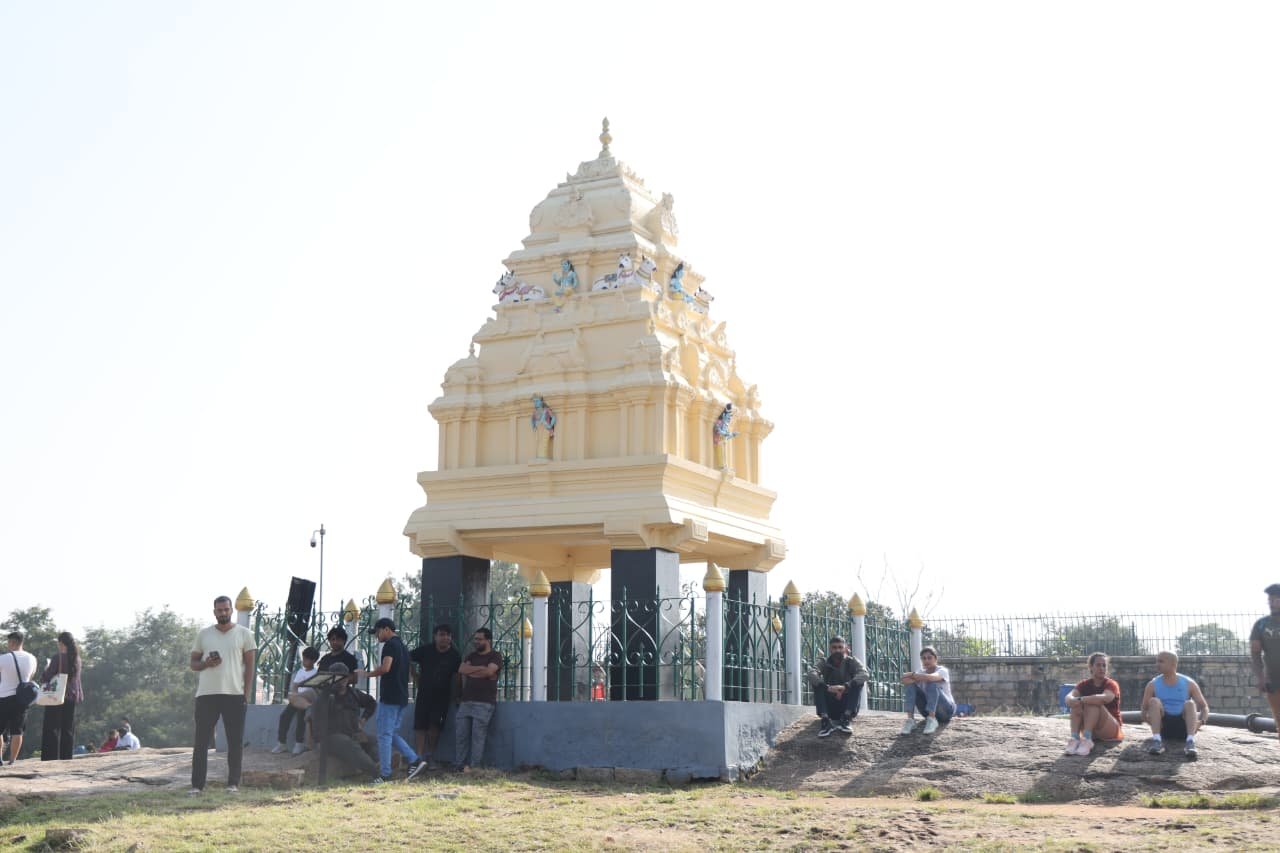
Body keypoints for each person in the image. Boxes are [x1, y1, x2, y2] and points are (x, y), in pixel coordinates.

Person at [188, 595, 256, 794]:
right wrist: (205, 663)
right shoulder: (204, 634)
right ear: (214, 612)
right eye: (219, 610)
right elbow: (193, 663)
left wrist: (246, 694)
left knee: (235, 742)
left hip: (234, 695)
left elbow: (250, 666)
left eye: (226, 609)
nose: (223, 613)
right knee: (201, 742)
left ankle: (233, 784)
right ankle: (197, 786)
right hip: (206, 695)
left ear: (231, 610)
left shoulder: (244, 634)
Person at [356, 617, 426, 783]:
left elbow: (386, 668)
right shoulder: (402, 646)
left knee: (384, 735)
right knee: (390, 733)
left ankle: (385, 774)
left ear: (386, 629)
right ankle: (414, 759)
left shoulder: (389, 645)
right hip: (401, 696)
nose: (376, 636)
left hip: (390, 697)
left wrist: (367, 674)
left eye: (377, 632)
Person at [311, 663, 379, 778]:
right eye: (338, 677)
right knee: (348, 744)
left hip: (352, 733)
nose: (342, 680)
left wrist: (363, 720)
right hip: (331, 737)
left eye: (344, 676)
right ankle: (375, 772)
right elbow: (316, 720)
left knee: (372, 741)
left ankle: (382, 765)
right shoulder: (326, 696)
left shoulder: (354, 694)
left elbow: (371, 703)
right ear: (332, 678)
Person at [1141, 650, 1209, 759]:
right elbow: (1144, 710)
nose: (1157, 664)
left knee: (1190, 703)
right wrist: (1152, 723)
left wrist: (1201, 722)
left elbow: (1204, 707)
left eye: (1161, 661)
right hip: (1164, 728)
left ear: (1173, 664)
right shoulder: (1152, 684)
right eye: (1157, 661)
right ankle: (1157, 740)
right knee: (1154, 701)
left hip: (1184, 728)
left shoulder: (1189, 683)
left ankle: (1190, 742)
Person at [410, 624, 461, 767]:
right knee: (420, 726)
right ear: (435, 636)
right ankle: (419, 757)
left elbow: (458, 676)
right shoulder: (426, 650)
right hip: (424, 694)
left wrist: (457, 695)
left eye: (448, 635)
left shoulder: (455, 655)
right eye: (442, 634)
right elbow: (407, 657)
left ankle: (430, 756)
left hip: (442, 697)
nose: (445, 638)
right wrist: (414, 675)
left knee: (435, 727)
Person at [453, 627, 503, 772]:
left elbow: (489, 671)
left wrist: (474, 671)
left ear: (488, 640)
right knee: (461, 736)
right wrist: (482, 669)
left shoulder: (495, 656)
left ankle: (474, 768)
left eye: (479, 639)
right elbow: (462, 670)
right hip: (466, 701)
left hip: (484, 702)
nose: (476, 642)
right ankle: (459, 766)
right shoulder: (471, 656)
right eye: (475, 639)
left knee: (478, 737)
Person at [806, 636, 868, 737]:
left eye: (840, 647)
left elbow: (864, 674)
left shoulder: (852, 661)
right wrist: (827, 687)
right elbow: (811, 674)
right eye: (834, 647)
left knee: (858, 683)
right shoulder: (824, 662)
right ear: (830, 649)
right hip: (830, 705)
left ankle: (846, 719)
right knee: (817, 683)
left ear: (845, 648)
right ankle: (825, 721)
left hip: (846, 705)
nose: (837, 650)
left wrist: (845, 687)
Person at [1064, 652, 1123, 755]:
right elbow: (1068, 698)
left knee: (1093, 702)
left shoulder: (1111, 684)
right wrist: (1074, 700)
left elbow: (1105, 698)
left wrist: (1081, 699)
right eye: (1098, 665)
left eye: (1104, 665)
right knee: (1076, 704)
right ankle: (1075, 738)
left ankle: (1087, 739)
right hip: (1092, 728)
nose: (1102, 668)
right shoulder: (1083, 684)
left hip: (1110, 729)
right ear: (1090, 667)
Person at [40, 631, 84, 761]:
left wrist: (45, 669)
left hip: (56, 696)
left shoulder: (57, 658)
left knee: (51, 727)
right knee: (67, 728)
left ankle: (50, 756)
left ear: (61, 643)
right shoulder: (77, 659)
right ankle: (66, 756)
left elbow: (47, 676)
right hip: (72, 696)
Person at [271, 646, 319, 755]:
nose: (304, 661)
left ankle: (299, 743)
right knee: (284, 716)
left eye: (307, 659)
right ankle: (281, 743)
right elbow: (295, 686)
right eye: (304, 658)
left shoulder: (315, 673)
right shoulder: (300, 671)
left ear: (313, 661)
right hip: (296, 699)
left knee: (301, 718)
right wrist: (294, 696)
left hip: (306, 700)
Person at [899, 646, 956, 735]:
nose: (926, 661)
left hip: (946, 711)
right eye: (924, 658)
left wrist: (915, 676)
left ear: (935, 659)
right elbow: (903, 680)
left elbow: (932, 678)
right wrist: (914, 675)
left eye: (929, 658)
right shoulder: (920, 672)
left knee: (931, 683)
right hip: (926, 711)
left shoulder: (942, 670)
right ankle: (910, 720)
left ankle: (932, 719)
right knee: (910, 686)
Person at [0, 632, 38, 765]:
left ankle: (0, 759)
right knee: (17, 731)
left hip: (4, 697)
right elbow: (31, 676)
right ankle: (12, 760)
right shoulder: (32, 658)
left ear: (12, 642)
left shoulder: (3, 658)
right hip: (22, 698)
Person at [1250, 583, 1280, 744]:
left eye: (1275, 599)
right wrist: (1261, 677)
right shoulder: (1261, 625)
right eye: (1270, 599)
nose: (1271, 602)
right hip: (1273, 680)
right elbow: (1255, 653)